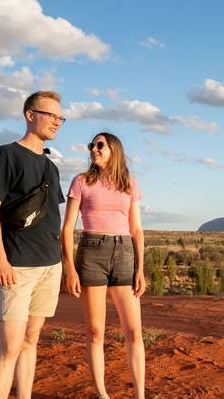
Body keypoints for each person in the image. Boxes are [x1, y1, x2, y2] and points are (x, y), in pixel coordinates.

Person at [0, 90, 67, 399]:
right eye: (51, 115)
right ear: (31, 115)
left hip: (49, 265)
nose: (57, 122)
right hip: (17, 265)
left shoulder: (51, 168)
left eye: (60, 117)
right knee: (10, 347)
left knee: (31, 340)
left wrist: (62, 265)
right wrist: (0, 260)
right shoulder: (7, 155)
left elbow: (51, 217)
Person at [61, 131, 147, 399]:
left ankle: (140, 395)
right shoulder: (81, 181)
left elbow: (136, 229)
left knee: (134, 331)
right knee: (95, 331)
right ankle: (102, 394)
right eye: (91, 145)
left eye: (100, 145)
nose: (93, 149)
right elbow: (66, 229)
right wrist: (70, 269)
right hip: (92, 253)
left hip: (124, 253)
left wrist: (140, 268)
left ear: (114, 150)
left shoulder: (129, 184)